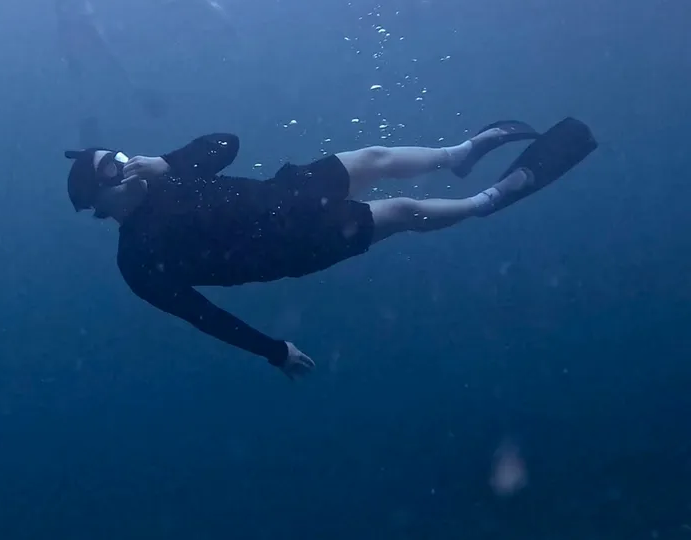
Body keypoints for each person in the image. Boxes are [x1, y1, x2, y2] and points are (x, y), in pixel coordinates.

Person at [65, 117, 596, 379]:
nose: (127, 163)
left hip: (285, 190)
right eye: (113, 166)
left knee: (374, 155)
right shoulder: (137, 260)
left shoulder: (166, 176)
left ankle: (458, 155)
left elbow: (227, 143)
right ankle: (485, 201)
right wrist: (274, 351)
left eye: (122, 155)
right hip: (293, 244)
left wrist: (169, 161)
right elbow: (201, 315)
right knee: (401, 211)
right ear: (98, 198)